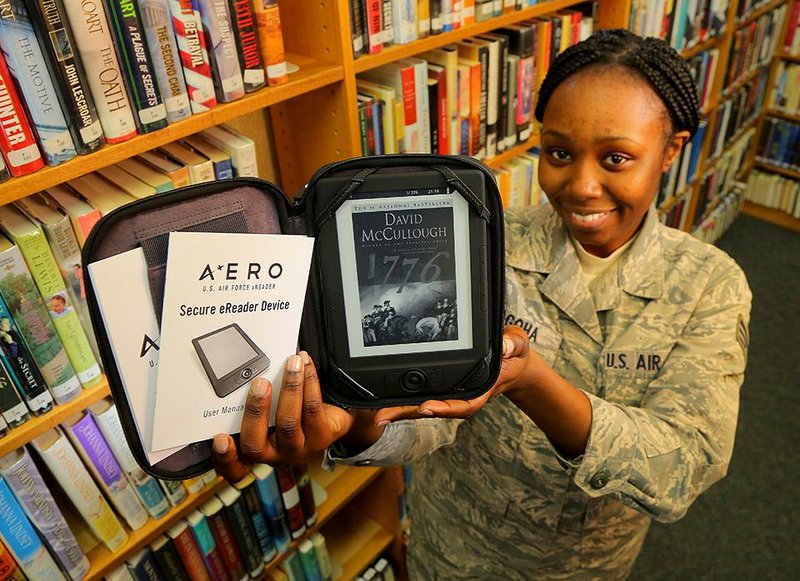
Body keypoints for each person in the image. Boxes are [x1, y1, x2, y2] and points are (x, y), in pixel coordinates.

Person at [212, 30, 752, 579]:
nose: (583, 186)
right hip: (455, 550)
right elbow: (435, 418)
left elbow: (680, 470)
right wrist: (363, 423)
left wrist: (532, 383)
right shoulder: (487, 242)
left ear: (671, 150)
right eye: (560, 153)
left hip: (585, 568)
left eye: (616, 158)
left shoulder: (711, 286)